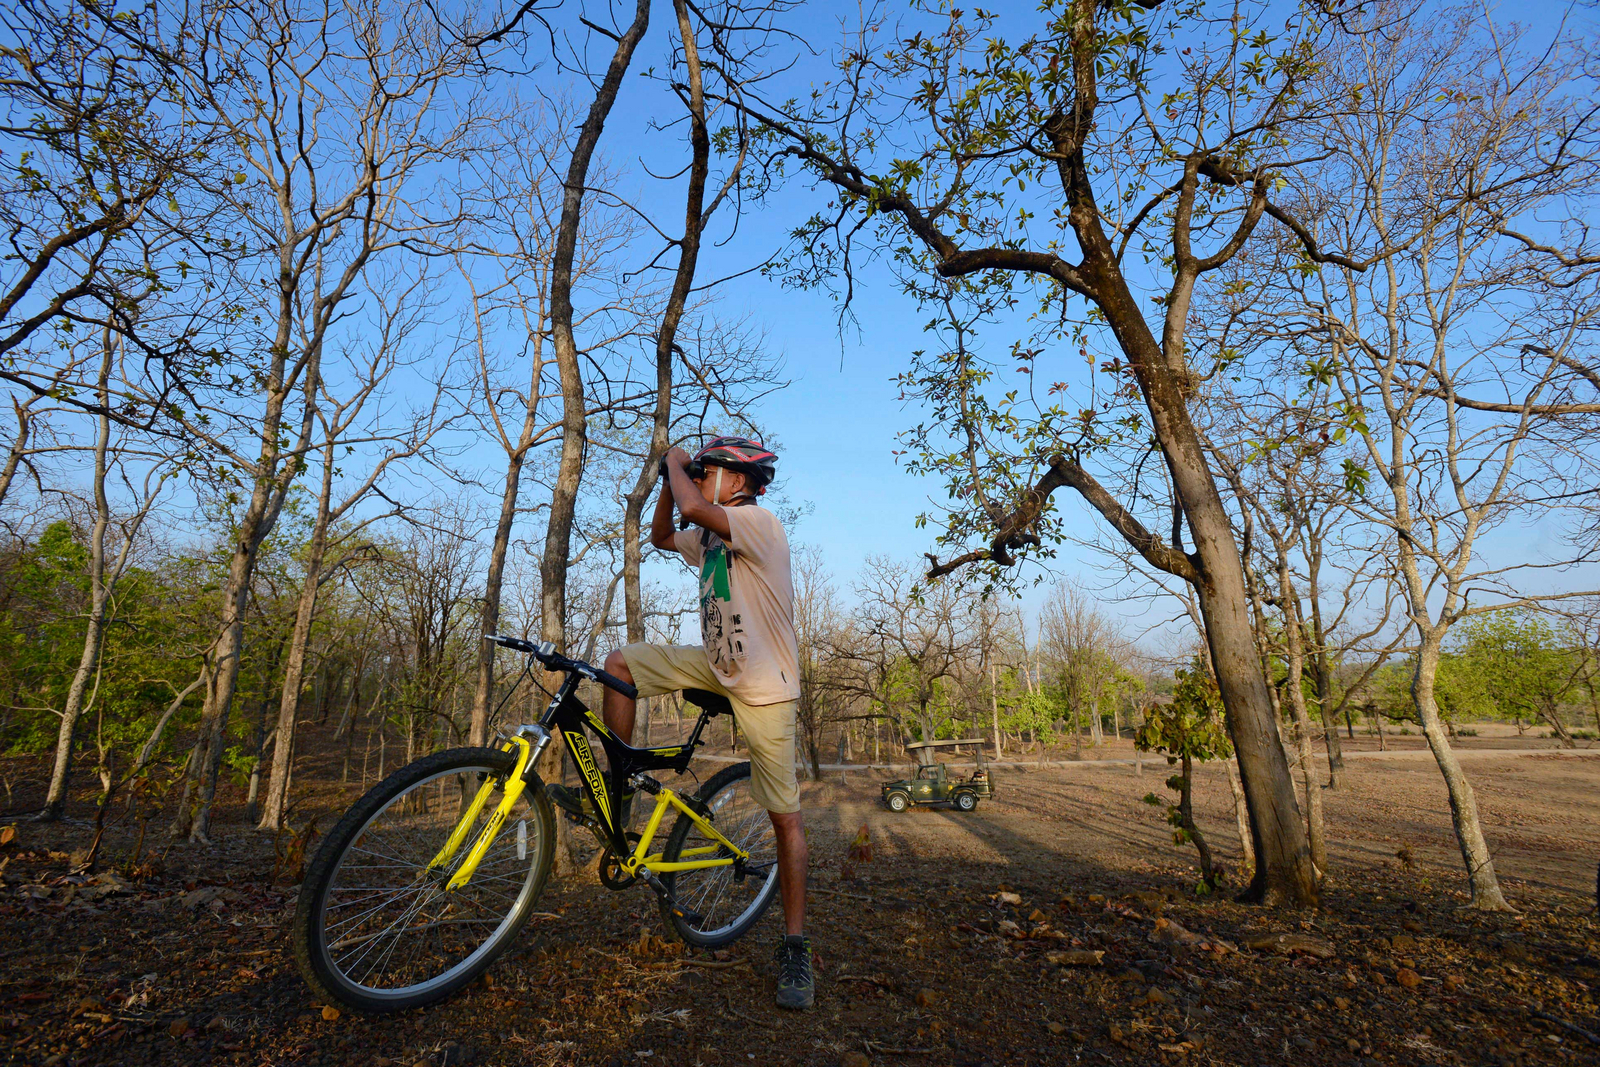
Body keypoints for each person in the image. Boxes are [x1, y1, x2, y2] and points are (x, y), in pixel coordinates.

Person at [545, 435, 814, 1011]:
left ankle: (795, 945)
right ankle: (615, 796)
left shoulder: (761, 523)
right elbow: (665, 535)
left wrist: (672, 460)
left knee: (784, 818)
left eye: (708, 470)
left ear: (738, 482)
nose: (700, 478)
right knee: (620, 663)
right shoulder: (712, 536)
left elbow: (692, 508)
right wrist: (673, 482)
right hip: (718, 666)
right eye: (699, 471)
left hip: (765, 684)